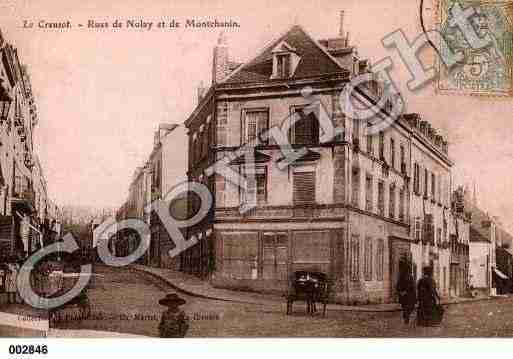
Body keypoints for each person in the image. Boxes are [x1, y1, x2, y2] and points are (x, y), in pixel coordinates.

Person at [396, 258, 417, 324]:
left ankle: (406, 316)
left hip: (408, 295)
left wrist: (401, 292)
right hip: (407, 295)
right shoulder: (404, 277)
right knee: (407, 307)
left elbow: (413, 286)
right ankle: (406, 317)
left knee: (408, 307)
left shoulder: (410, 276)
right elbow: (398, 286)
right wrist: (401, 292)